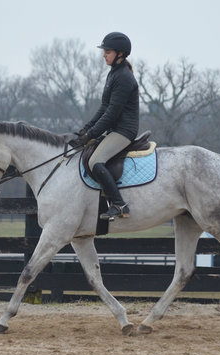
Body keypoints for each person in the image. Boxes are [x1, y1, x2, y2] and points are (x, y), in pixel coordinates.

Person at [70, 32, 139, 221]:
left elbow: (112, 113)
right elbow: (104, 107)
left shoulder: (124, 77)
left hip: (124, 131)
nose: (104, 55)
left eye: (107, 52)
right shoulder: (114, 74)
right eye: (104, 51)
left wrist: (92, 133)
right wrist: (86, 129)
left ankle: (119, 204)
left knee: (95, 162)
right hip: (114, 129)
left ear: (121, 54)